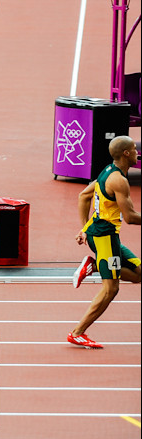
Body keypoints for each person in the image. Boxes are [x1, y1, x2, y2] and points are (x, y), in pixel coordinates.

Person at [69, 135, 141, 349]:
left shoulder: (107, 170)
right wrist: (86, 228)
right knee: (111, 289)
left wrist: (83, 228)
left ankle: (94, 265)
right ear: (126, 154)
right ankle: (77, 333)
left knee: (138, 273)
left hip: (101, 235)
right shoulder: (119, 180)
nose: (138, 152)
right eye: (135, 150)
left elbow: (83, 195)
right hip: (104, 239)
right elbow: (129, 217)